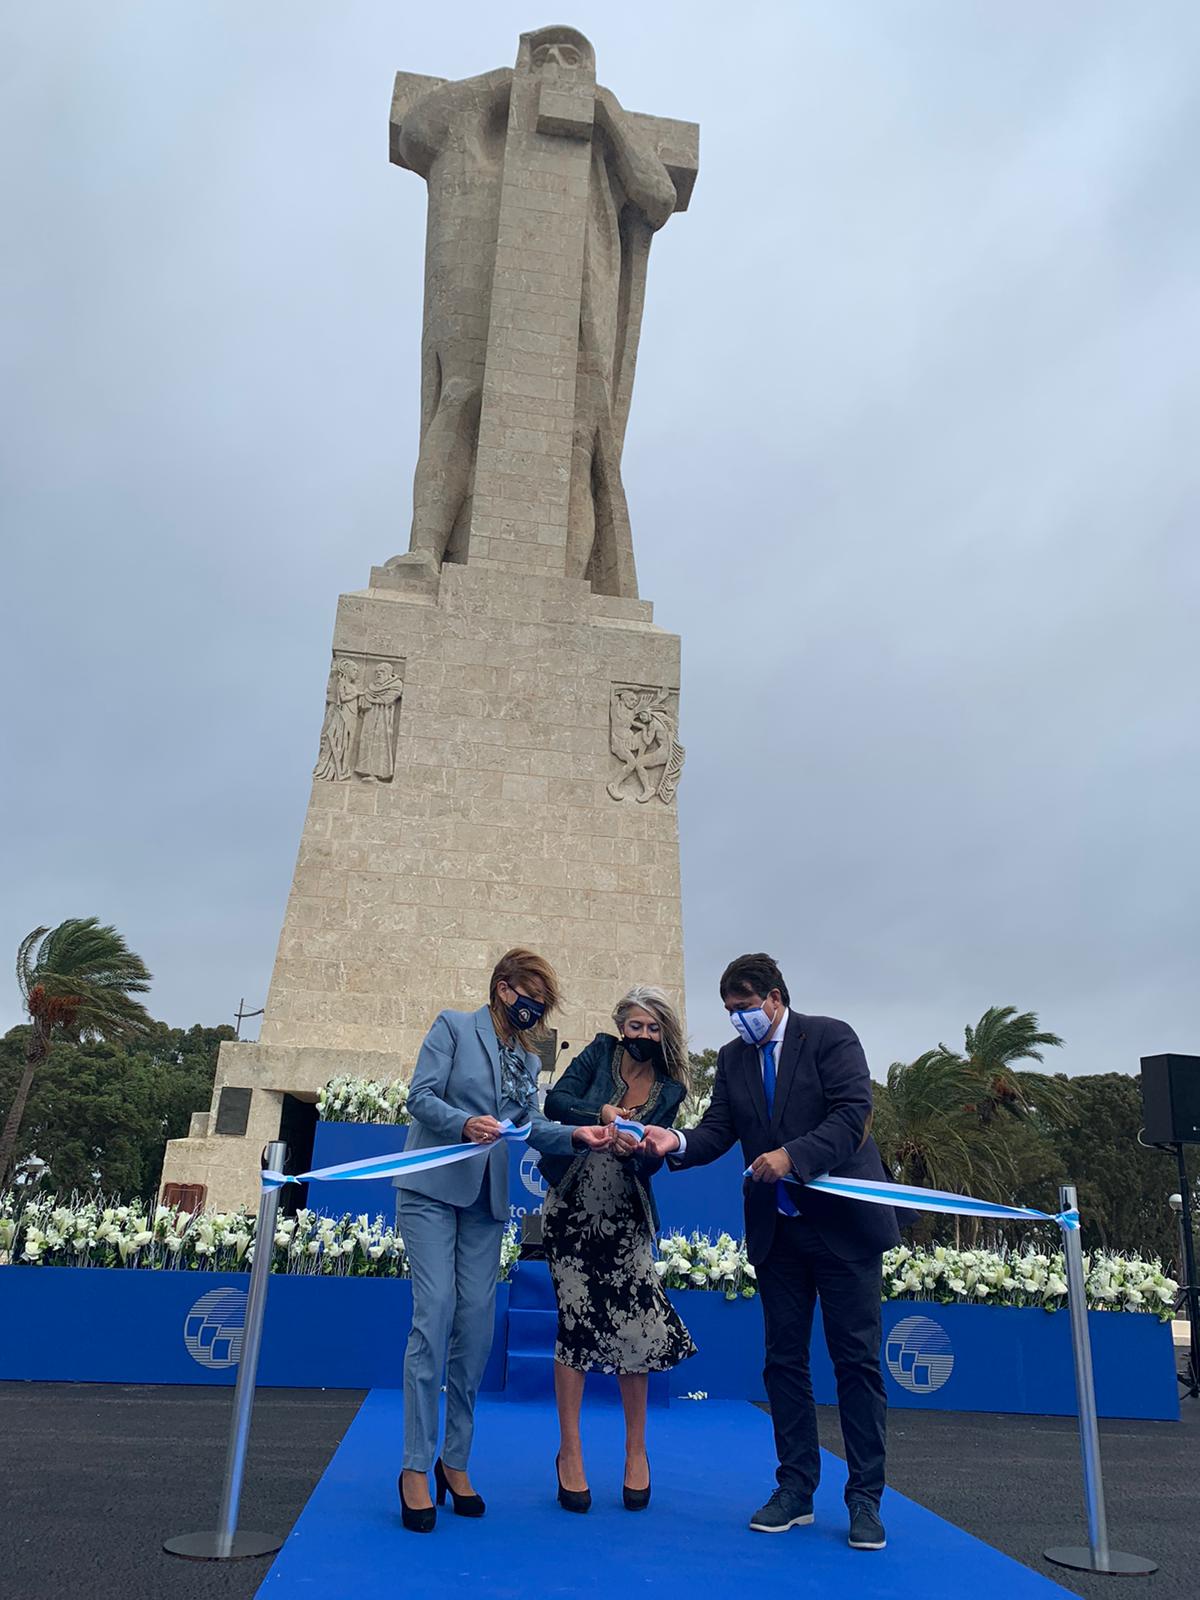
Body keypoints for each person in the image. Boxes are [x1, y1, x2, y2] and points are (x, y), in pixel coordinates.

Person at [641, 954, 899, 1551]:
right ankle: (796, 1490)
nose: (738, 1020)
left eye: (746, 1007)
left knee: (855, 1363)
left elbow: (852, 1115)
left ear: (776, 999)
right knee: (783, 1362)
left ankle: (865, 1499)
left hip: (844, 1231)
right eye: (730, 1011)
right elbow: (718, 1129)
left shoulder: (831, 1037)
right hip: (778, 1232)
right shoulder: (733, 1061)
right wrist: (673, 1140)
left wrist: (793, 1156)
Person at [394, 949, 609, 1533]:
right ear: (501, 986)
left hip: (485, 1204)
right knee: (433, 1314)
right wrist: (462, 1123)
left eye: (541, 999)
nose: (532, 1006)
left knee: (477, 1326)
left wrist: (577, 1134)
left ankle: (454, 1460)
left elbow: (528, 1124)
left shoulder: (526, 1056)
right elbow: (420, 1096)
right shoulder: (452, 1027)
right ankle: (415, 1464)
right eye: (526, 993)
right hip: (432, 1191)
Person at [538, 986, 696, 1513]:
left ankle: (635, 1452)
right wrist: (603, 1111)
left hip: (628, 1214)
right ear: (621, 1026)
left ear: (663, 1034)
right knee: (575, 1324)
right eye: (635, 1026)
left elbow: (657, 1159)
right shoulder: (598, 1053)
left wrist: (640, 1150)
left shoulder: (670, 1087)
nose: (642, 1036)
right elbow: (557, 1102)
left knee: (636, 1329)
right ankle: (571, 1452)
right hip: (572, 1208)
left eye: (653, 1029)